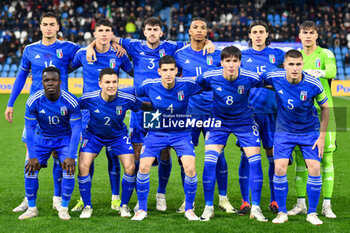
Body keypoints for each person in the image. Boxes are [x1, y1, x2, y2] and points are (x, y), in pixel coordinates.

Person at [87, 17, 215, 212]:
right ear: (144, 32)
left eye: (156, 29)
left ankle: (161, 194)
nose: (153, 33)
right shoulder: (134, 45)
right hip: (141, 108)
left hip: (164, 108)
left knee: (165, 152)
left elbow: (196, 40)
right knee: (138, 153)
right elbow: (108, 36)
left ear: (161, 32)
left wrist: (209, 41)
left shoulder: (171, 47)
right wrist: (91, 45)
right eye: (149, 29)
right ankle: (141, 198)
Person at [4, 12, 81, 213]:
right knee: (31, 155)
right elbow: (21, 77)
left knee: (59, 156)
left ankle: (57, 198)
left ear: (58, 27)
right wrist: (10, 103)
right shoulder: (30, 50)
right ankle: (28, 198)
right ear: (40, 27)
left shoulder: (69, 48)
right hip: (37, 109)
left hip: (60, 108)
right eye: (45, 24)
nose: (48, 28)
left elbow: (88, 54)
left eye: (52, 24)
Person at [70, 17, 134, 212]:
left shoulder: (119, 54)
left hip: (112, 110)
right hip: (88, 112)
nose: (104, 34)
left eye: (108, 30)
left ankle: (116, 198)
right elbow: (65, 69)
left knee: (113, 156)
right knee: (86, 156)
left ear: (111, 33)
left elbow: (134, 73)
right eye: (101, 31)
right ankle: (83, 199)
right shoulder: (83, 54)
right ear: (95, 34)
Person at [197, 46, 267, 222]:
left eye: (234, 61)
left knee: (255, 161)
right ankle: (208, 208)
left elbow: (268, 82)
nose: (231, 64)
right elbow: (196, 84)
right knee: (209, 162)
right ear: (221, 62)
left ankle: (256, 208)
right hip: (218, 123)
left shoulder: (250, 77)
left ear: (240, 62)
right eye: (227, 61)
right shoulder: (210, 76)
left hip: (244, 122)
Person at [174, 17, 234, 214]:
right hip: (189, 112)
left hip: (212, 111)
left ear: (207, 32)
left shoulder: (216, 54)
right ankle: (186, 199)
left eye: (203, 28)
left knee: (219, 154)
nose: (199, 30)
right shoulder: (180, 54)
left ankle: (223, 198)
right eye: (195, 28)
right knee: (185, 156)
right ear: (189, 32)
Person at [131, 55, 203, 221]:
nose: (168, 74)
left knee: (190, 168)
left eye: (172, 70)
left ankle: (189, 209)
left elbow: (207, 83)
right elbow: (134, 93)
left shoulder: (187, 85)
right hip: (156, 132)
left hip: (181, 133)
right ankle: (142, 209)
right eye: (165, 70)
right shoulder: (149, 85)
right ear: (159, 72)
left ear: (177, 71)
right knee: (143, 167)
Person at [263, 49, 329, 225]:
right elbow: (254, 79)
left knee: (314, 169)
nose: (294, 68)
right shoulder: (274, 77)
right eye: (290, 64)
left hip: (309, 131)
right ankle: (282, 213)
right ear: (284, 65)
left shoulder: (314, 83)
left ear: (302, 65)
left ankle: (312, 213)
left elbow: (326, 108)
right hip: (284, 131)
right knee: (279, 168)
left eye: (298, 64)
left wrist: (321, 137)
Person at [78, 68, 150, 218]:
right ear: (100, 83)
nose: (111, 85)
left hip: (118, 136)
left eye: (114, 82)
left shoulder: (126, 98)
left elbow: (143, 106)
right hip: (94, 136)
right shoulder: (88, 98)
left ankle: (124, 206)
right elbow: (72, 108)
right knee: (83, 166)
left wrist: (164, 107)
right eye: (107, 82)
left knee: (130, 167)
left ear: (118, 82)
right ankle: (87, 206)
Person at [288, 21, 337, 219]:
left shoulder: (325, 54)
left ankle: (327, 205)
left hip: (327, 111)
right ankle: (301, 203)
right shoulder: (296, 57)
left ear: (317, 35)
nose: (308, 36)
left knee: (326, 158)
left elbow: (333, 72)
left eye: (311, 32)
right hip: (302, 113)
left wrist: (317, 73)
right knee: (301, 159)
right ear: (299, 35)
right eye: (304, 32)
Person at [19, 66, 82, 220]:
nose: (50, 83)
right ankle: (32, 208)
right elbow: (30, 128)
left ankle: (64, 208)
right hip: (41, 139)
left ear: (60, 82)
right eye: (47, 80)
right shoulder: (34, 101)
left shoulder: (70, 101)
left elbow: (76, 130)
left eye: (54, 80)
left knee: (69, 169)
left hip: (64, 140)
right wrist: (32, 155)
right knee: (29, 168)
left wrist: (72, 155)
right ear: (42, 82)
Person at [238, 20, 284, 215]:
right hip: (249, 113)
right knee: (247, 155)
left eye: (261, 32)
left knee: (272, 155)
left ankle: (274, 200)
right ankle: (244, 201)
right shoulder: (241, 56)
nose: (258, 35)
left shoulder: (278, 55)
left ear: (267, 34)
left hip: (273, 113)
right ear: (249, 35)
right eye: (254, 32)